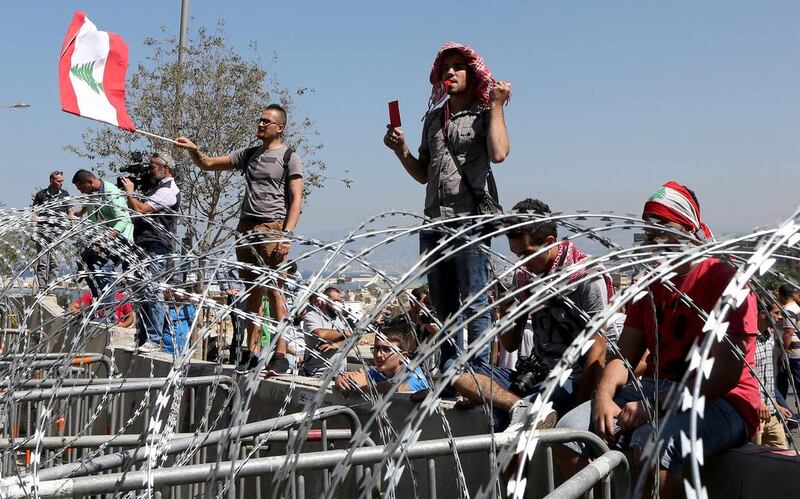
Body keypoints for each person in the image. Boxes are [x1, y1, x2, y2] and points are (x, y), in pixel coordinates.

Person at [555, 182, 760, 499]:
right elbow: (622, 359)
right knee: (567, 434)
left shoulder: (725, 280)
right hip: (657, 389)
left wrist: (652, 407)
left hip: (724, 400)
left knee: (654, 445)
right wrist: (603, 397)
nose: (652, 236)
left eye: (662, 225)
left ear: (688, 228)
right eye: (647, 228)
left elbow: (723, 376)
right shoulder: (650, 285)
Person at [383, 42, 511, 370]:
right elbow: (424, 174)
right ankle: (451, 369)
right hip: (434, 221)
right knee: (444, 305)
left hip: (470, 219)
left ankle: (479, 374)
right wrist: (401, 151)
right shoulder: (433, 120)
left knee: (475, 302)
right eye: (445, 69)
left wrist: (497, 107)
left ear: (473, 73)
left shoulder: (484, 115)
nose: (450, 73)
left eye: (457, 67)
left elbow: (498, 153)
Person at [451, 198, 613, 419]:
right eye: (517, 256)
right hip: (535, 375)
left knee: (497, 418)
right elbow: (510, 344)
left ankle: (524, 409)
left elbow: (598, 350)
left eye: (526, 254)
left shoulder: (586, 277)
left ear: (548, 242)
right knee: (456, 373)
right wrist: (507, 309)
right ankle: (521, 407)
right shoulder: (525, 279)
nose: (521, 263)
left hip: (570, 379)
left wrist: (579, 406)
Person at [175, 104, 303, 373]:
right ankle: (251, 352)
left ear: (280, 127)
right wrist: (193, 150)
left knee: (276, 292)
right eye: (259, 120)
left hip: (273, 228)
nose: (260, 124)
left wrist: (286, 235)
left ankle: (280, 354)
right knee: (252, 293)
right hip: (247, 229)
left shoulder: (289, 156)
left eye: (266, 121)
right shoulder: (249, 154)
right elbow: (208, 163)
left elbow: (296, 199)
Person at [120, 152, 181, 352]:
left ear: (166, 168)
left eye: (153, 166)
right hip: (143, 244)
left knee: (153, 290)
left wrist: (130, 192)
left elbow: (141, 209)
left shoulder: (168, 190)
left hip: (157, 246)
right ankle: (143, 337)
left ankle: (154, 340)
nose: (150, 170)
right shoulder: (155, 187)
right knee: (140, 292)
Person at [72, 169, 134, 320]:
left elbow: (123, 220)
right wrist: (80, 213)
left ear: (90, 182)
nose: (81, 191)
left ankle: (109, 313)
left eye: (82, 188)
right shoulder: (92, 194)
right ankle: (99, 299)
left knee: (104, 268)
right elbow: (90, 210)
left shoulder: (111, 193)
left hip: (121, 238)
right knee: (84, 261)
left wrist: (105, 240)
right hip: (104, 237)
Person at [336, 320, 430, 394]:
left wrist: (364, 387)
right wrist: (340, 380)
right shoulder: (384, 370)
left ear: (403, 356)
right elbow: (346, 375)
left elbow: (397, 388)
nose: (378, 354)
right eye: (376, 348)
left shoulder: (415, 376)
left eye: (387, 350)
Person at [752, 301, 788, 448]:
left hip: (771, 413)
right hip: (754, 413)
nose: (780, 317)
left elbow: (767, 376)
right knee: (755, 460)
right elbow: (745, 375)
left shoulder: (771, 336)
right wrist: (758, 402)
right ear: (762, 314)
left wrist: (775, 404)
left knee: (783, 456)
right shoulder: (748, 339)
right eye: (776, 313)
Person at [32, 171, 74, 290]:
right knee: (42, 262)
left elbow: (70, 211)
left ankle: (50, 287)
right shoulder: (41, 195)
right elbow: (35, 213)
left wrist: (73, 225)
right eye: (58, 181)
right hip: (42, 232)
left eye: (62, 181)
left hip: (58, 233)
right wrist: (34, 230)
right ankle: (42, 287)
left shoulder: (65, 194)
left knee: (55, 262)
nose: (61, 183)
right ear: (51, 181)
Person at [302, 287, 349, 378]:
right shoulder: (312, 316)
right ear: (324, 300)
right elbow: (320, 334)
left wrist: (337, 344)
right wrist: (345, 333)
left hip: (340, 374)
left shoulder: (340, 318)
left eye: (339, 301)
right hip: (319, 373)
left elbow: (354, 338)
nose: (338, 304)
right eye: (335, 301)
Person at [215, 262, 246, 362]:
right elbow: (219, 268)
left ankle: (246, 358)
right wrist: (226, 288)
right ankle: (234, 358)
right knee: (239, 329)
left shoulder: (255, 255)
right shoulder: (234, 258)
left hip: (250, 294)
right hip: (237, 297)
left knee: (250, 328)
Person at [776, 283, 800, 402]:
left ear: (782, 295)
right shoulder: (796, 307)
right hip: (796, 352)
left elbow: (788, 332)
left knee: (783, 384)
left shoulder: (787, 310)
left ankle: (783, 410)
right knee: (783, 382)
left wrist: (783, 352)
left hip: (792, 353)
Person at [69, 289, 135, 328]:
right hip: (95, 324)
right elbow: (73, 306)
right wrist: (79, 314)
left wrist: (122, 325)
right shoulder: (93, 294)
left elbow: (130, 317)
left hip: (113, 326)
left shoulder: (121, 297)